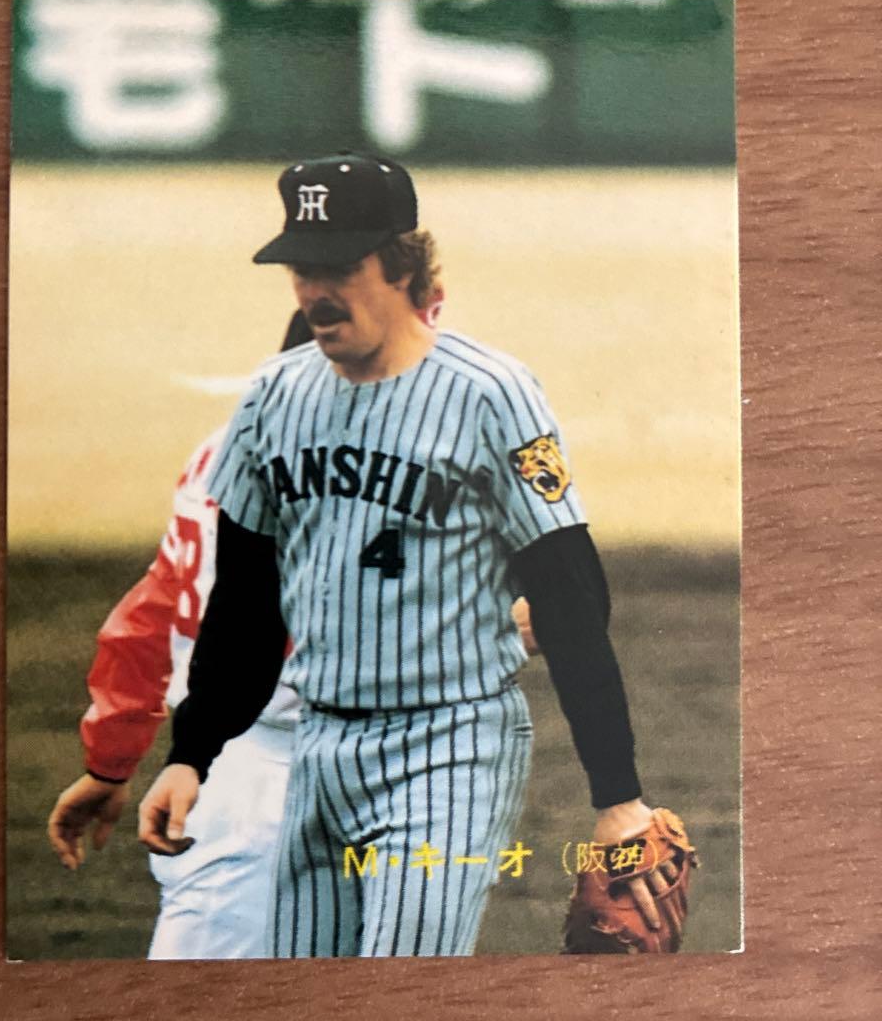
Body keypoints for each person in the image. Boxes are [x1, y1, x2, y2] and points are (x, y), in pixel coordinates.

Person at [138, 150, 661, 957]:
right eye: (302, 269)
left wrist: (617, 794)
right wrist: (192, 755)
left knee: (401, 986)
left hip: (448, 749)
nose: (316, 292)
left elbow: (568, 591)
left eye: (340, 268)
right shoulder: (273, 397)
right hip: (319, 751)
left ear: (403, 267)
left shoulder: (490, 393)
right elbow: (245, 601)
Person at [46, 312, 313, 959]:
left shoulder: (217, 450)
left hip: (225, 774)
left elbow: (153, 609)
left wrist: (110, 761)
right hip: (276, 775)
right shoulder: (324, 471)